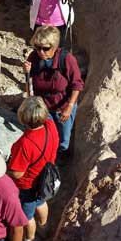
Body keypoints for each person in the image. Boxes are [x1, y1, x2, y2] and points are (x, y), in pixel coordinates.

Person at [23, 26, 84, 163]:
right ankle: (48, 157)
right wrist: (26, 72)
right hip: (44, 106)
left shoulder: (67, 59)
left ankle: (61, 158)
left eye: (45, 48)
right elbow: (29, 85)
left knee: (64, 139)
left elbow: (77, 85)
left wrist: (69, 107)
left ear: (55, 46)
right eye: (38, 47)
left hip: (63, 106)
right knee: (47, 135)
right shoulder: (34, 57)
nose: (41, 52)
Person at [7, 97, 59, 241]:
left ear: (23, 118)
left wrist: (6, 169)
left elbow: (17, 173)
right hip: (45, 178)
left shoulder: (24, 143)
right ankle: (44, 225)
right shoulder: (50, 125)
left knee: (27, 216)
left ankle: (30, 239)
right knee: (41, 202)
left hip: (28, 185)